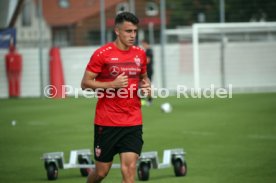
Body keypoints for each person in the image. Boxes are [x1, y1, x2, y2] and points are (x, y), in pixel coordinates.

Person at [81, 12, 151, 183]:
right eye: (128, 31)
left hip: (132, 121)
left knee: (129, 172)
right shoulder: (102, 54)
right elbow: (85, 83)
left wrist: (146, 86)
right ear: (117, 31)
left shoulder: (140, 54)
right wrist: (111, 84)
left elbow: (144, 77)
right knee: (101, 172)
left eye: (135, 31)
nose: (132, 35)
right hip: (107, 122)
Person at [141, 39, 154, 105]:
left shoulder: (149, 51)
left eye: (143, 44)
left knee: (148, 85)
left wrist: (140, 62)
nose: (142, 45)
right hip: (144, 71)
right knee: (142, 85)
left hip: (148, 71)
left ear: (146, 43)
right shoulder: (145, 51)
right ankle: (143, 99)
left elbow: (147, 60)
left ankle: (150, 100)